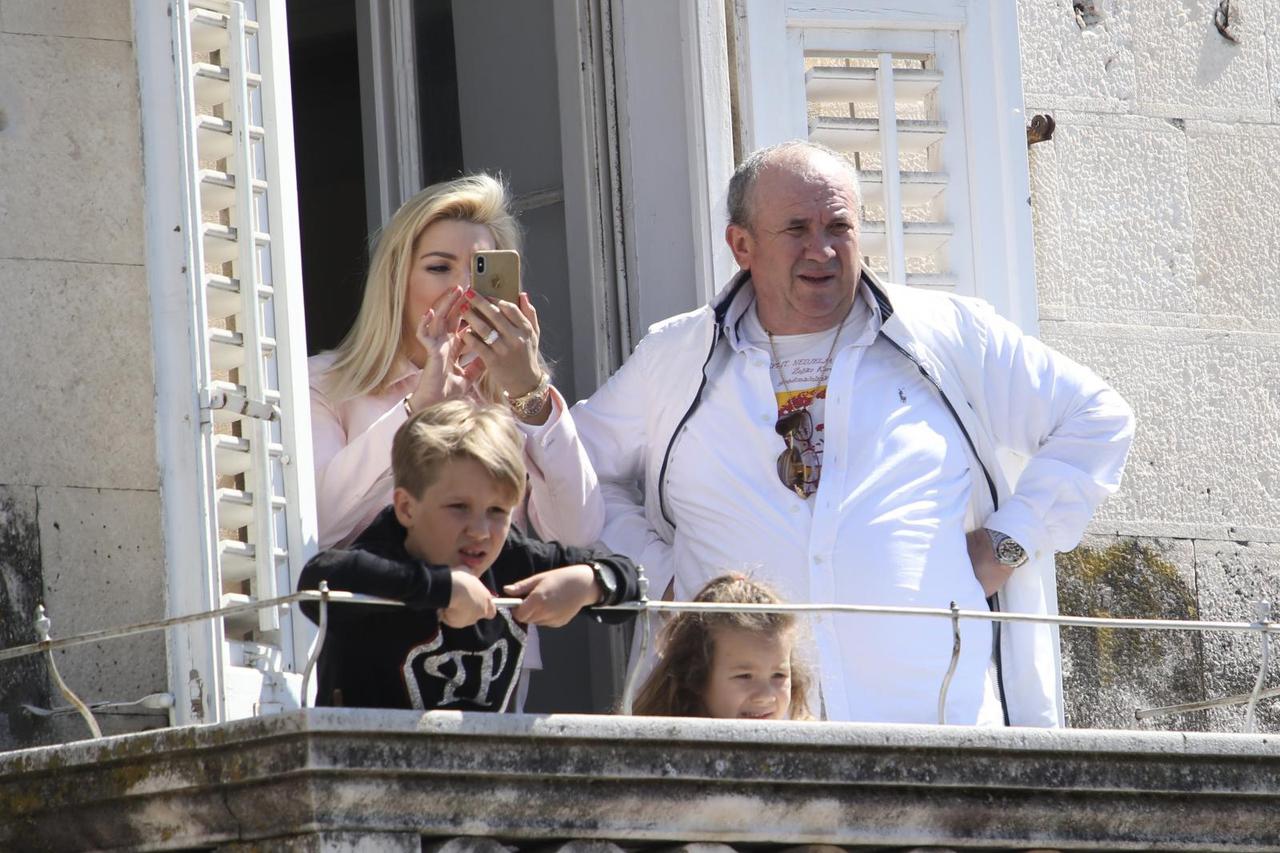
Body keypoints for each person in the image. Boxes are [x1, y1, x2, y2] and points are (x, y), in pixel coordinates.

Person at [571, 140, 1135, 727]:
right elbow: (577, 469)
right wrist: (656, 576)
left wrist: (1010, 541)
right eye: (796, 228)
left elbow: (1097, 416)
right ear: (742, 245)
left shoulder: (947, 334)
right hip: (745, 748)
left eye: (838, 226)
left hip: (936, 738)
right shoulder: (675, 356)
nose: (821, 249)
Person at [309, 173, 603, 551]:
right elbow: (314, 525)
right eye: (440, 268)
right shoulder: (325, 384)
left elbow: (578, 535)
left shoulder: (510, 397)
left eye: (481, 271)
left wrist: (531, 393)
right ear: (396, 281)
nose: (464, 289)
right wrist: (417, 408)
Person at [297, 399, 640, 711]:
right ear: (406, 508)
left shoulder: (511, 559)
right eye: (459, 507)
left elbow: (632, 580)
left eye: (497, 511)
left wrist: (590, 582)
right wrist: (443, 588)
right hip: (364, 757)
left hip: (483, 758)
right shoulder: (382, 556)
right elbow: (317, 578)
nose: (480, 531)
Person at [631, 574, 813, 720]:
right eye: (745, 676)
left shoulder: (808, 750)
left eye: (779, 675)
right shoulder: (660, 751)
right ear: (695, 676)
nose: (765, 696)